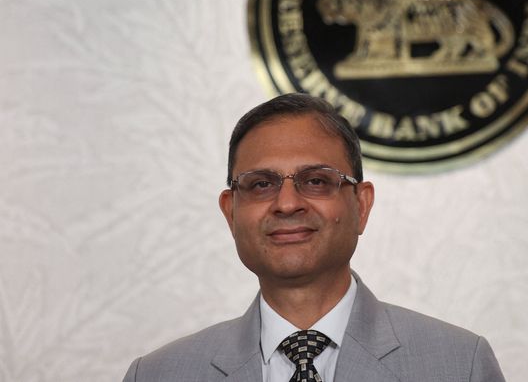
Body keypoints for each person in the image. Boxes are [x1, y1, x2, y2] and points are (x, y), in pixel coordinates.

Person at [123, 93, 506, 381]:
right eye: (261, 184)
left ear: (362, 204)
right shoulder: (158, 375)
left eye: (316, 181)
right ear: (230, 212)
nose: (287, 203)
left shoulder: (459, 365)